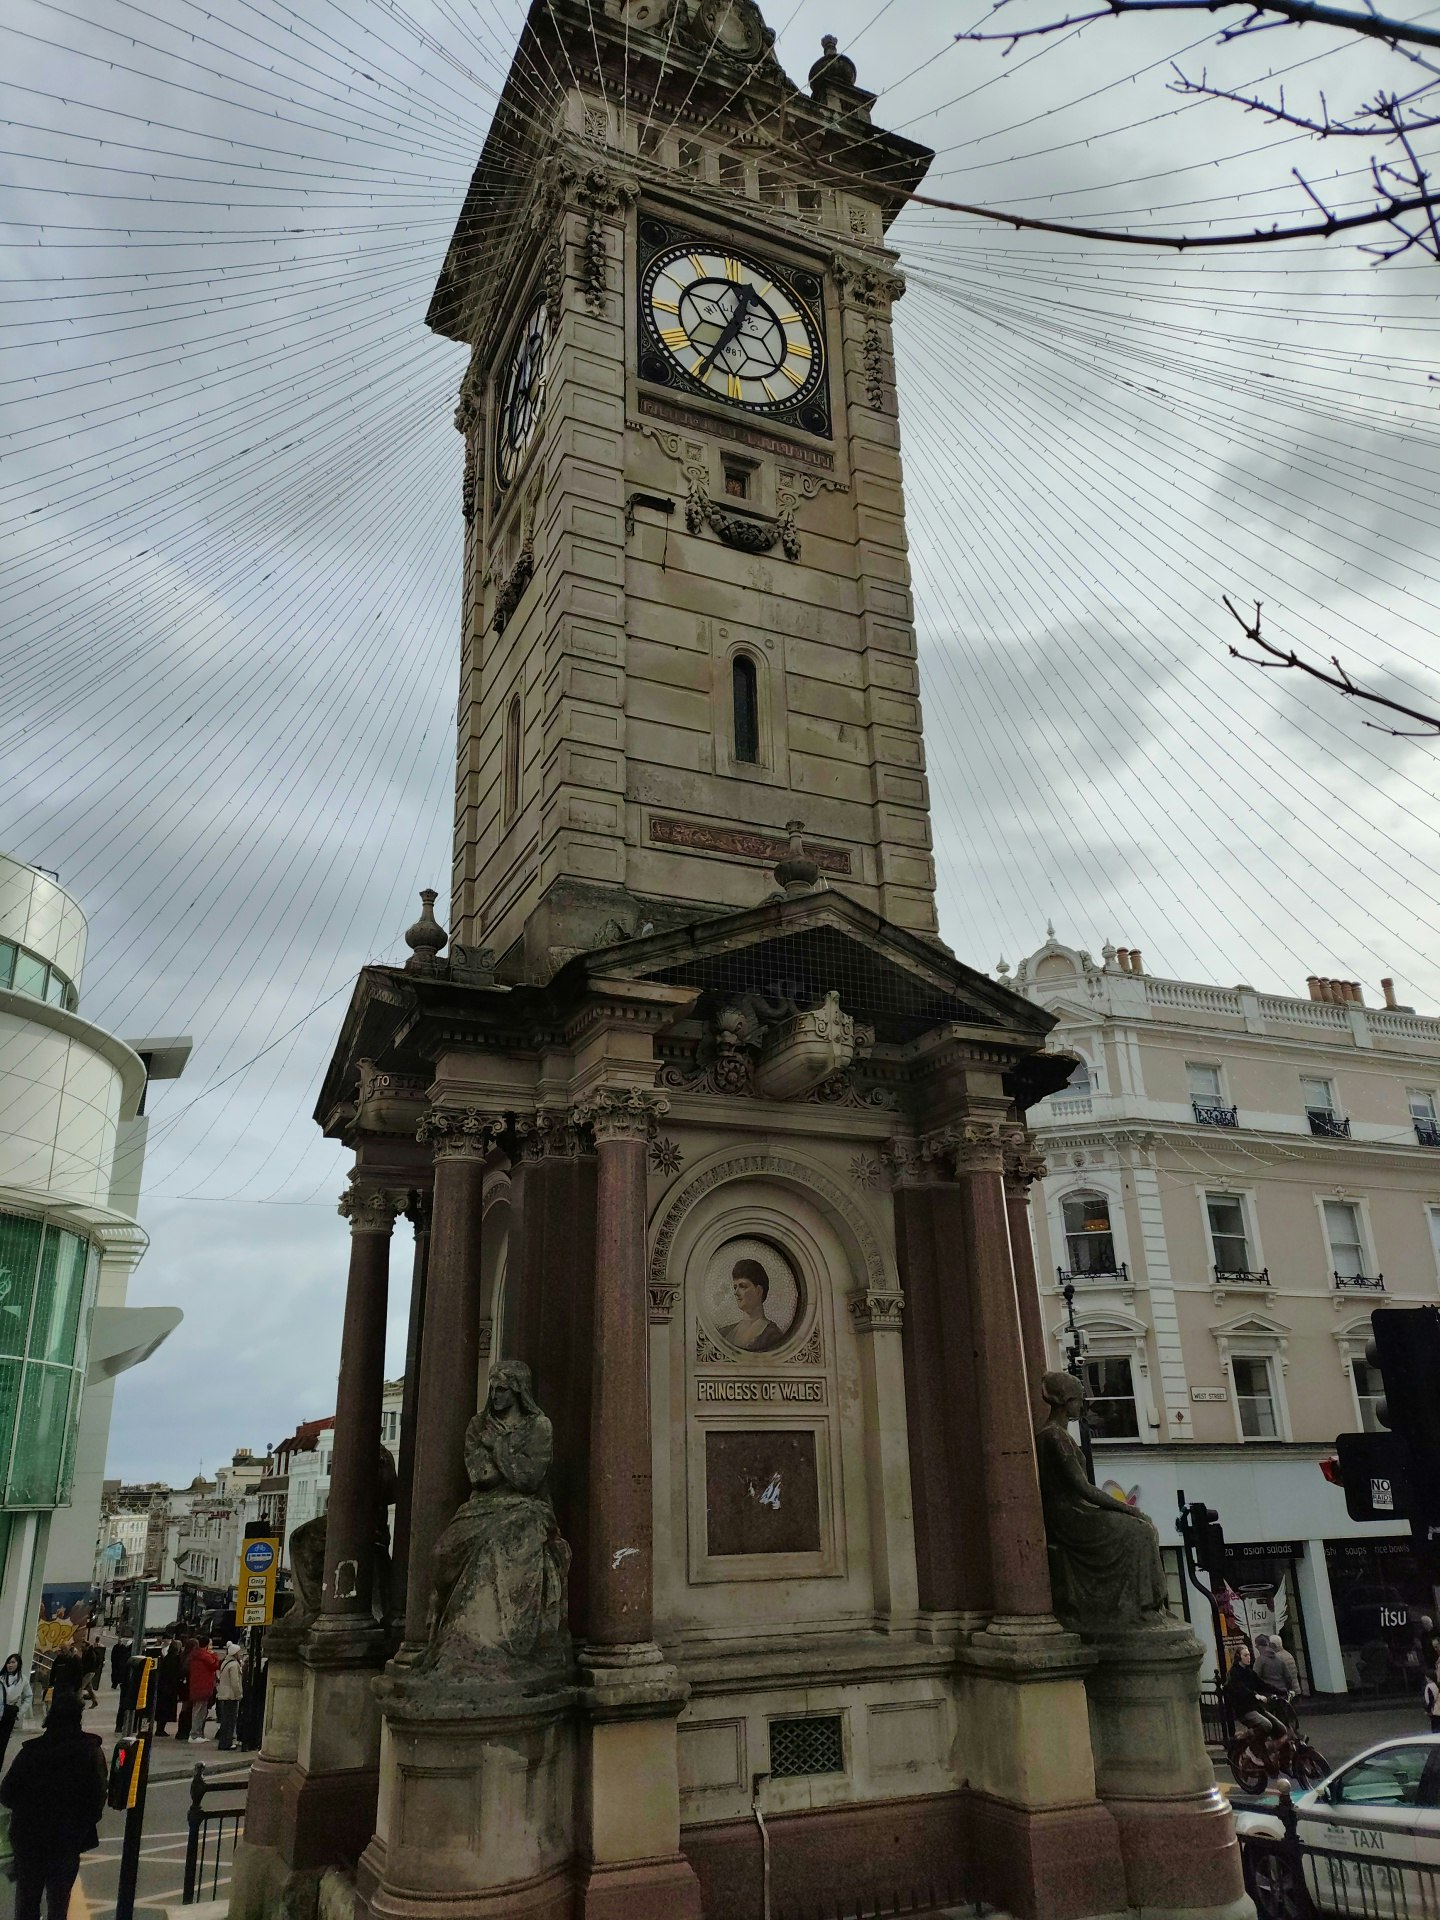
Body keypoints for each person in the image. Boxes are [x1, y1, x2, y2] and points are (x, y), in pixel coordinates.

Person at [1034, 1371, 1169, 1633]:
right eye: (1079, 1399)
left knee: (1143, 1528)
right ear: (1066, 1401)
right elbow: (1083, 1488)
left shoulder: (1059, 1435)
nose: (1082, 1404)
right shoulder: (1054, 1437)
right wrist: (1127, 1508)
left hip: (1074, 1510)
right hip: (1070, 1515)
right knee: (1139, 1532)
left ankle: (1144, 1605)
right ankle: (1139, 1607)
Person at [0, 1692, 107, 1920]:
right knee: (59, 1902)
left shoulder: (30, 1752)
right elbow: (97, 1798)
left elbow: (6, 1793)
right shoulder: (90, 1751)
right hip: (68, 1838)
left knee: (27, 1900)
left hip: (29, 1838)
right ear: (78, 1718)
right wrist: (81, 1824)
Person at [1226, 1641, 1289, 1769]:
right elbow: (1241, 1689)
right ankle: (1252, 1750)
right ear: (1238, 1657)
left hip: (1256, 1708)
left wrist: (1282, 1692)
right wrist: (1255, 1695)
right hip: (1244, 1711)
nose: (1248, 1657)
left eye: (1249, 1654)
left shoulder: (1249, 1672)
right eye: (1245, 1655)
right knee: (1266, 1725)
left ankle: (1272, 1754)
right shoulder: (1234, 1673)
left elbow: (1262, 1685)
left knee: (1281, 1728)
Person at [720, 1259, 786, 1353]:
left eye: (743, 1286)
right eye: (735, 1287)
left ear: (759, 1291)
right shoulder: (725, 1332)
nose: (736, 1292)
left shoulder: (773, 1335)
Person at [185, 1637, 220, 1743]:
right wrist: (214, 1655)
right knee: (200, 1712)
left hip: (196, 1686)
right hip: (204, 1687)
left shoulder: (194, 1655)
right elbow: (215, 1665)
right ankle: (195, 1734)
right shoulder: (205, 1656)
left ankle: (197, 1733)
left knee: (197, 1710)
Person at [214, 1644, 244, 1751]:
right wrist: (239, 1694)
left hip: (223, 1694)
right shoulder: (234, 1665)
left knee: (225, 1720)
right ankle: (227, 1743)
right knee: (230, 1720)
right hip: (231, 1695)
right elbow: (235, 1682)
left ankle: (223, 1742)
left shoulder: (225, 1662)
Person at [0, 1653, 27, 1770]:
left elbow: (28, 1697)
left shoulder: (23, 1680)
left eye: (13, 1662)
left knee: (2, 1743)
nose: (10, 1665)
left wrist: (20, 1713)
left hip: (9, 1714)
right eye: (8, 1662)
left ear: (18, 1664)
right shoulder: (1, 1677)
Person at [1254, 1633, 1300, 1698]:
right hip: (1285, 1691)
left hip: (1271, 1694)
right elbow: (1288, 1677)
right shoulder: (1282, 1656)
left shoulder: (1261, 1660)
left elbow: (1255, 1678)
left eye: (1257, 1646)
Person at [155, 1636, 183, 1736]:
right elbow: (175, 1673)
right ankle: (160, 1729)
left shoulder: (168, 1657)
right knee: (165, 1709)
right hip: (169, 1688)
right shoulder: (174, 1659)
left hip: (164, 1687)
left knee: (162, 1709)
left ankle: (160, 1728)